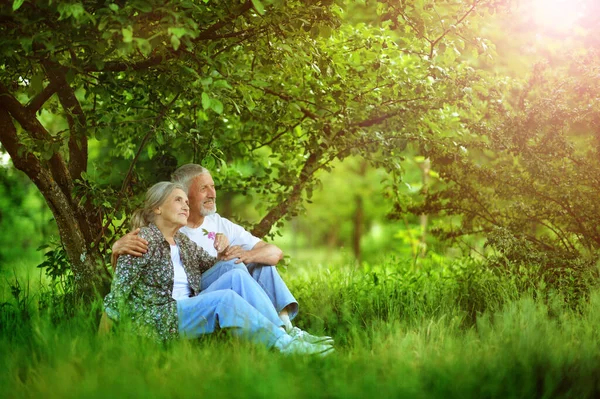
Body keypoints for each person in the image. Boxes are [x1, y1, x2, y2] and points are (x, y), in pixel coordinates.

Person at [104, 181, 333, 356]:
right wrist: (98, 348)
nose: (185, 206)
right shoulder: (140, 242)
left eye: (186, 201)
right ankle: (285, 346)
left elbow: (216, 264)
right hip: (162, 319)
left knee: (233, 269)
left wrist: (224, 249)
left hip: (188, 307)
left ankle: (285, 333)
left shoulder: (183, 243)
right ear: (157, 209)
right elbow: (115, 299)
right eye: (178, 200)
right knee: (223, 299)